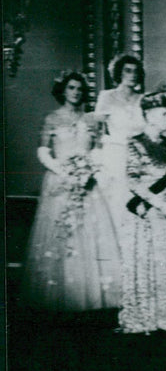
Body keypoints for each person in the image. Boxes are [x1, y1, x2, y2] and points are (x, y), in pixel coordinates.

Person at [21, 71, 122, 312]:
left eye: (79, 88)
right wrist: (62, 170)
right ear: (63, 91)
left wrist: (88, 170)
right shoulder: (52, 118)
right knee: (63, 234)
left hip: (87, 183)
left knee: (90, 234)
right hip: (60, 181)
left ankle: (93, 296)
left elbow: (98, 149)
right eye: (71, 88)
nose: (76, 92)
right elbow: (43, 151)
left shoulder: (92, 119)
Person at [118, 89, 166, 334]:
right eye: (165, 113)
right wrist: (157, 203)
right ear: (149, 114)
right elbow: (132, 180)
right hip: (146, 214)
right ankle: (146, 319)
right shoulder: (135, 142)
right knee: (148, 265)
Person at [94, 54, 146, 230]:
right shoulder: (107, 96)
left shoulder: (143, 99)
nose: (132, 75)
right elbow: (98, 130)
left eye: (135, 71)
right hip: (115, 157)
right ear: (119, 73)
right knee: (116, 203)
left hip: (139, 156)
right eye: (127, 71)